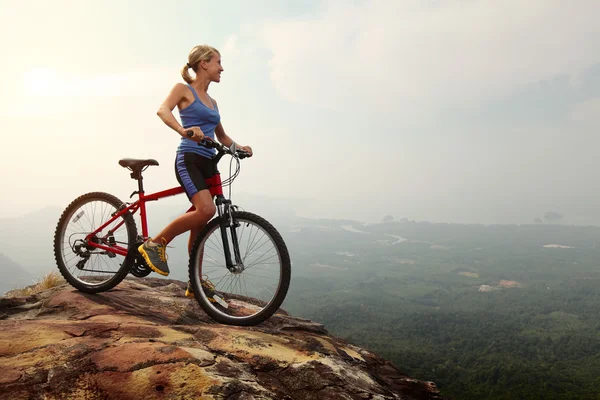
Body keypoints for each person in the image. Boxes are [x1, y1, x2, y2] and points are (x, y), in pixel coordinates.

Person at [138, 44, 252, 297]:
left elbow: (221, 136)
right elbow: (162, 110)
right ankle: (155, 244)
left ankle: (195, 282)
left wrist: (239, 147)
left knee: (201, 220)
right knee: (207, 210)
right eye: (218, 62)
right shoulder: (183, 90)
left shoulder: (213, 102)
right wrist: (183, 131)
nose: (222, 67)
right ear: (204, 64)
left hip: (210, 161)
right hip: (189, 158)